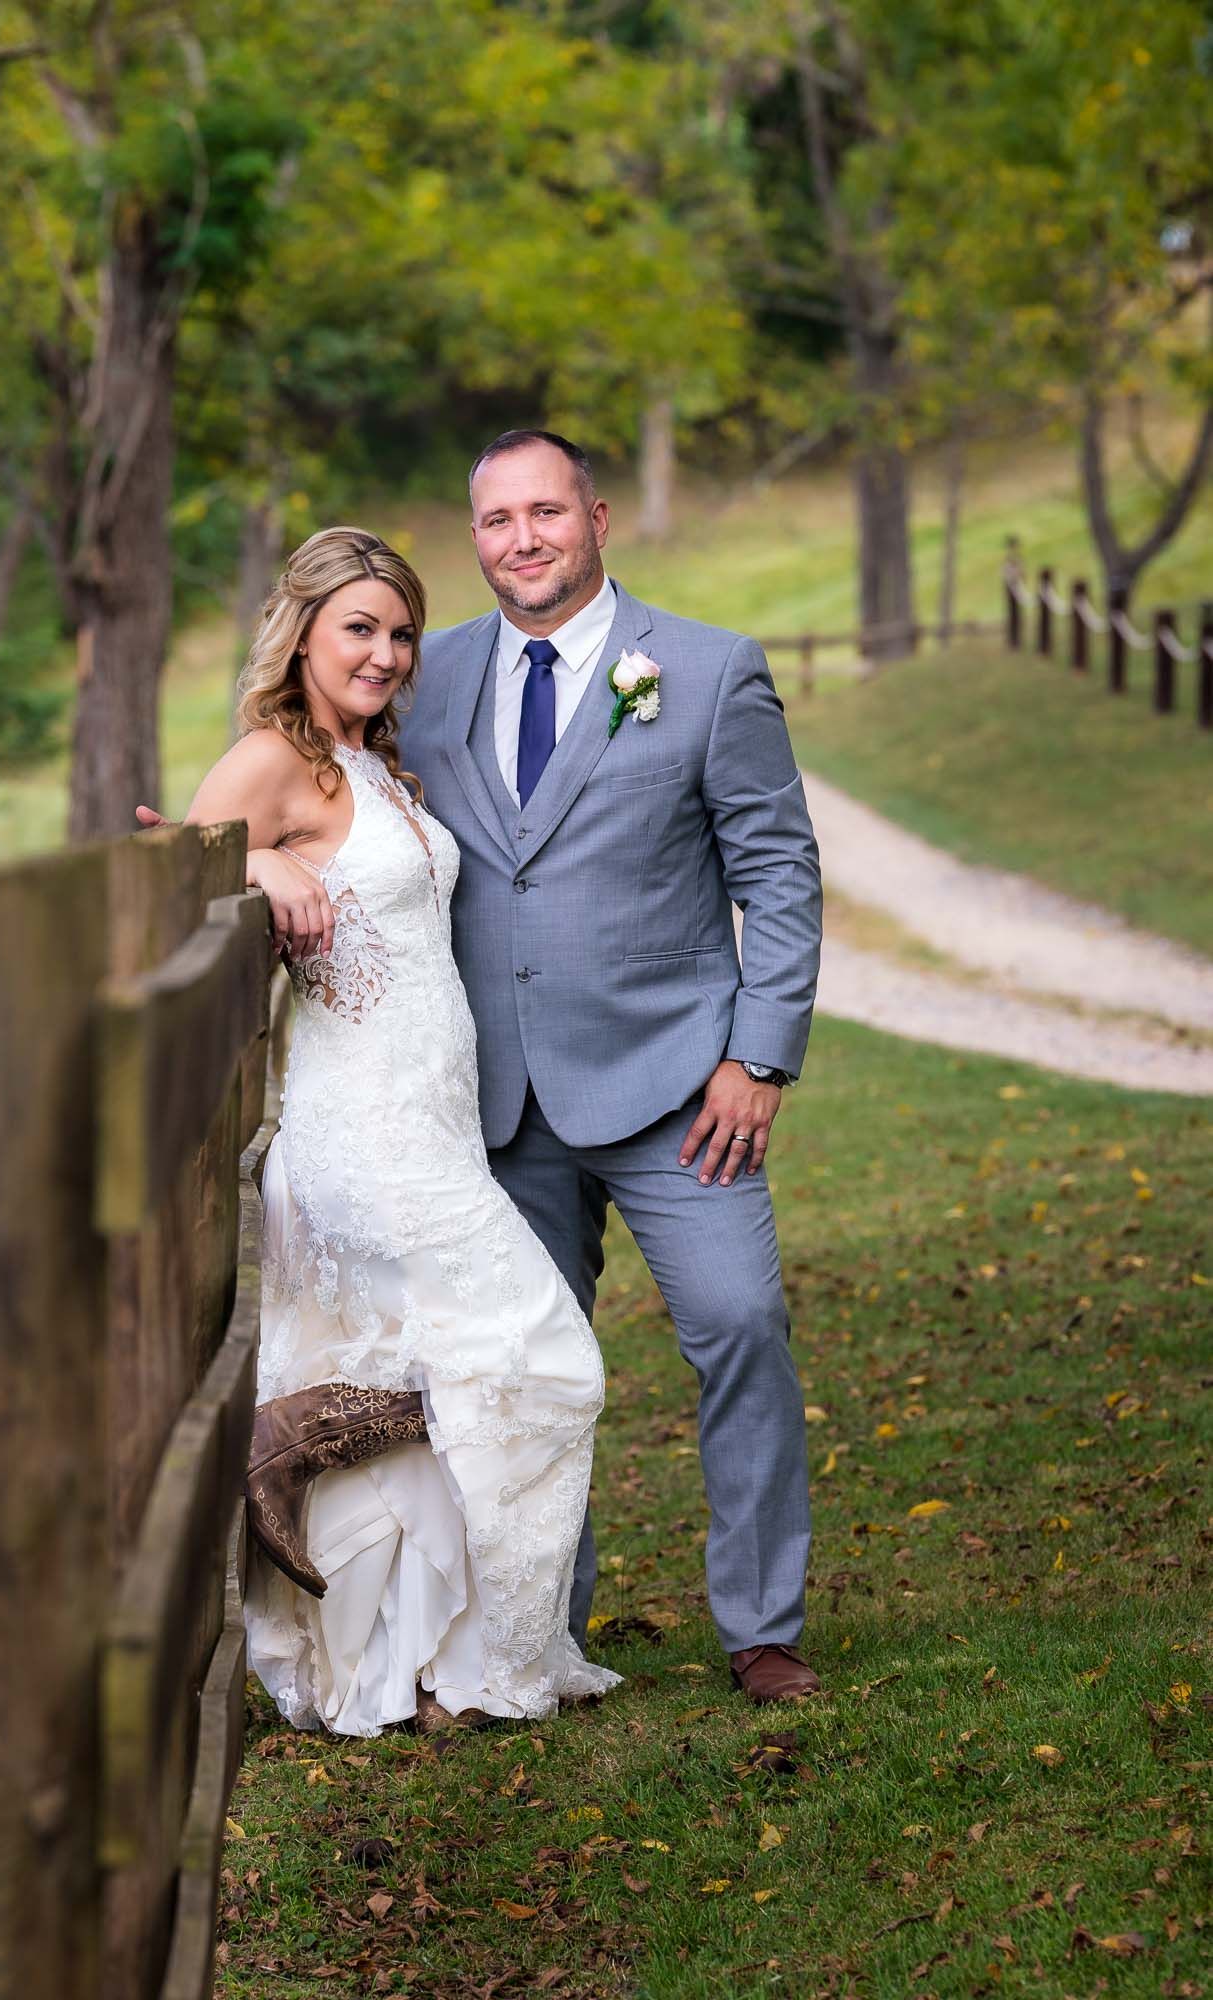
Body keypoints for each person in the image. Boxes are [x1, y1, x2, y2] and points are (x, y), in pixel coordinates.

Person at [161, 526, 620, 1736]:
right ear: (301, 630)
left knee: (436, 1370)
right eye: (358, 626)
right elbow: (167, 864)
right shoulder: (270, 758)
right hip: (359, 1134)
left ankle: (413, 1665)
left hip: (432, 1124)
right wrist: (257, 867)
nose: (384, 651)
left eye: (400, 630)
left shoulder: (372, 764)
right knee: (542, 1358)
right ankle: (296, 1454)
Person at [397, 431, 824, 1704]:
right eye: (493, 521)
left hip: (680, 1090)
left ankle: (760, 1626)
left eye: (544, 512)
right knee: (523, 1372)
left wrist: (760, 1054)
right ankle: (541, 1633)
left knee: (740, 1325)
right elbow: (334, 788)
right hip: (497, 1099)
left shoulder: (704, 670)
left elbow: (777, 871)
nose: (520, 540)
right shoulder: (432, 677)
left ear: (595, 516)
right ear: (473, 537)